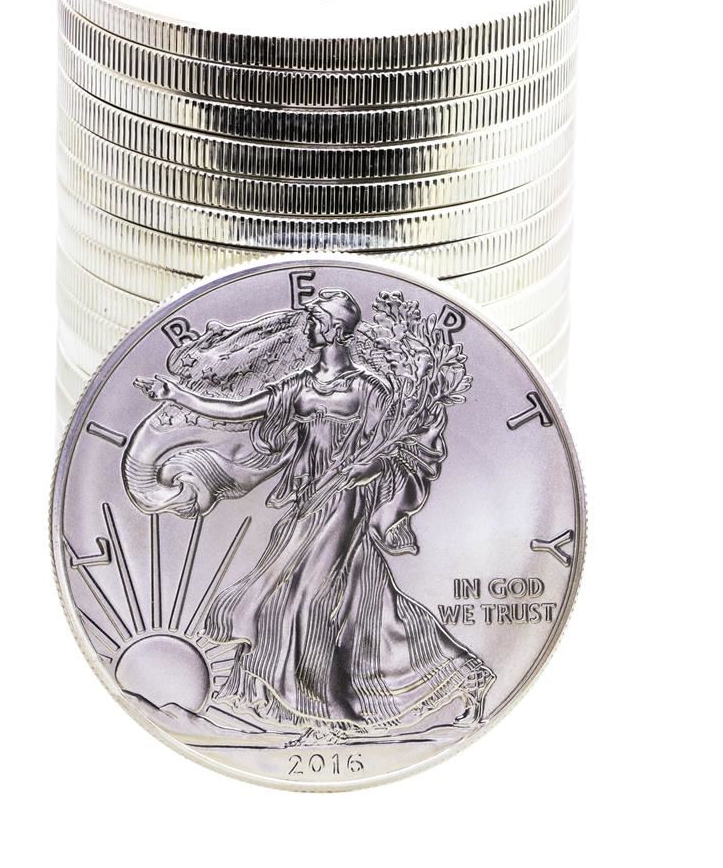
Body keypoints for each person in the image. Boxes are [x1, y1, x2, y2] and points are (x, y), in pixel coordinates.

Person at [135, 290, 493, 739]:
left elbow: (399, 449)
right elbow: (237, 412)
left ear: (335, 329)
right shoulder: (299, 386)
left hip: (347, 503)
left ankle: (327, 716)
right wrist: (177, 394)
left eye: (315, 320)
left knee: (308, 599)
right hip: (309, 501)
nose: (307, 327)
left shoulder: (369, 390)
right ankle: (464, 676)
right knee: (359, 606)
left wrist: (368, 468)